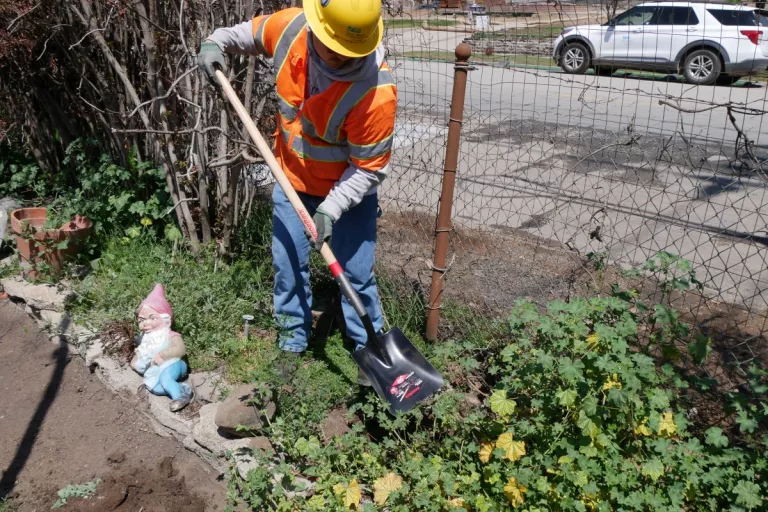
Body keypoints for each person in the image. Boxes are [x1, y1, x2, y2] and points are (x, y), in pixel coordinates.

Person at [197, 0, 396, 386]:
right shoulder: (292, 28)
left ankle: (369, 351)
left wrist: (331, 209)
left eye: (348, 52)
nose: (340, 58)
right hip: (291, 181)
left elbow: (368, 169)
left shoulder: (376, 93)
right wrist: (215, 42)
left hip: (347, 195)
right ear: (316, 29)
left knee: (356, 275)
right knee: (287, 265)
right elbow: (246, 34)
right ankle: (292, 341)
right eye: (333, 49)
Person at [131, 283, 194, 412]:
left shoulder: (170, 335)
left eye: (152, 318)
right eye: (141, 320)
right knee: (155, 388)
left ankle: (179, 397)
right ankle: (184, 389)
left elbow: (180, 349)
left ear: (165, 318)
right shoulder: (145, 340)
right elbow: (139, 357)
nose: (145, 323)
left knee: (166, 378)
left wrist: (162, 355)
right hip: (156, 369)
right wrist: (136, 362)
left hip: (174, 363)